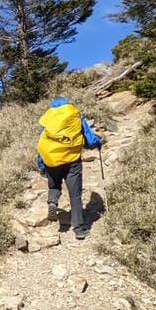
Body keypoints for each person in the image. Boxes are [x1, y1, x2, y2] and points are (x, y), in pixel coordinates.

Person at [36, 97, 102, 240]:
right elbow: (89, 141)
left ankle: (53, 202)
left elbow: (42, 145)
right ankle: (79, 229)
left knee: (54, 186)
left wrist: (42, 165)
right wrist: (98, 140)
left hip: (52, 161)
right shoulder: (76, 116)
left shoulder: (47, 120)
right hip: (72, 161)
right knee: (75, 195)